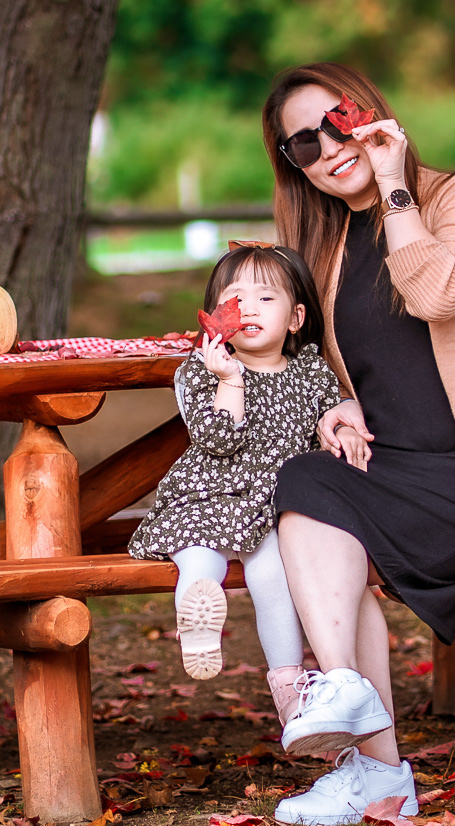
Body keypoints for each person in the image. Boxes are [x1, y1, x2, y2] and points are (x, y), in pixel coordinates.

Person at [261, 63, 455, 826]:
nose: (327, 149)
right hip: (392, 473)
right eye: (303, 145)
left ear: (369, 114)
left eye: (337, 124)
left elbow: (437, 292)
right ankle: (368, 746)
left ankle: (367, 751)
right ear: (293, 165)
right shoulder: (324, 244)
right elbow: (314, 361)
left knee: (320, 518)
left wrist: (393, 185)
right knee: (305, 484)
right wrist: (333, 404)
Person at [128, 243, 374, 728]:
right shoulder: (200, 371)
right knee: (199, 556)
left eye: (265, 298)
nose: (249, 309)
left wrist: (345, 429)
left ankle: (290, 689)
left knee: (272, 577)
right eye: (235, 299)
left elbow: (331, 416)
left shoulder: (309, 369)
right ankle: (197, 616)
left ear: (296, 318)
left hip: (272, 509)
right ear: (216, 316)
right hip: (208, 497)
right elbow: (219, 440)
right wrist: (230, 379)